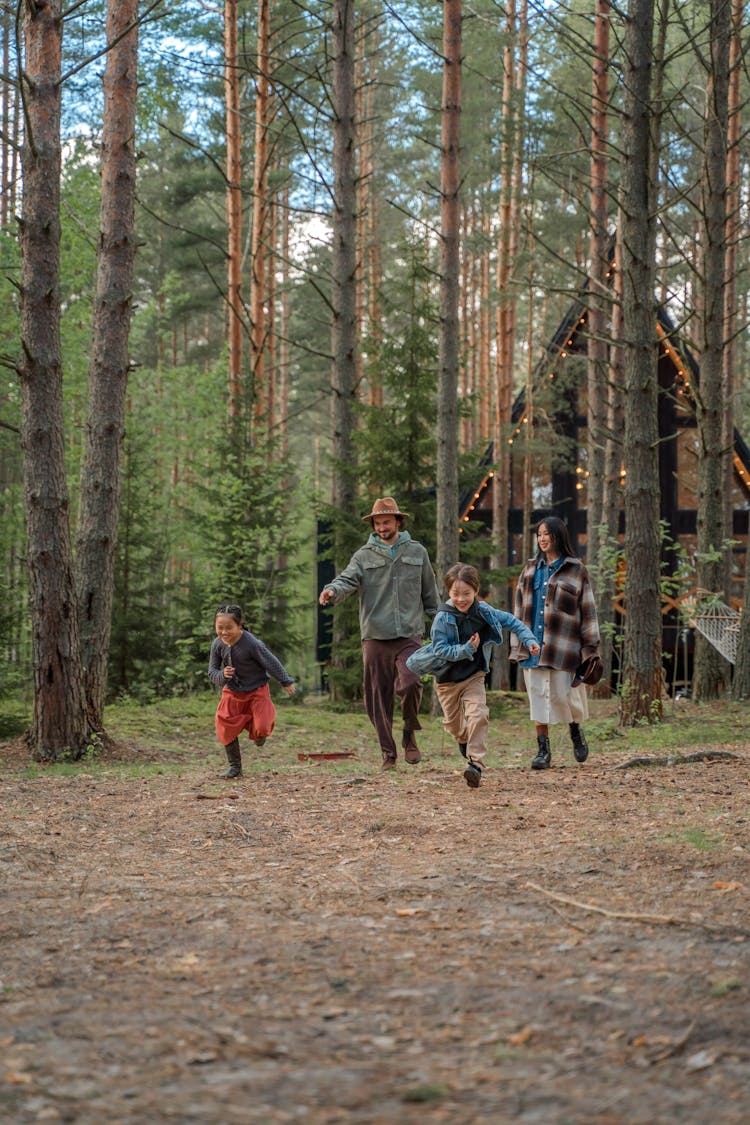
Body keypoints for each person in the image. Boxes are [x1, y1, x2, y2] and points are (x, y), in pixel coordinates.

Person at [319, 497, 439, 769]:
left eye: (387, 521)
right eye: (377, 522)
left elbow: (430, 593)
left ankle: (409, 733)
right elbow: (346, 579)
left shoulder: (417, 552)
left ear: (398, 521)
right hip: (375, 635)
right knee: (377, 697)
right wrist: (332, 591)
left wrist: (443, 622)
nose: (382, 527)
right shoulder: (363, 555)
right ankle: (389, 753)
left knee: (411, 682)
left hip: (409, 633)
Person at [407, 564, 539, 788]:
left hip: (474, 676)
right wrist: (466, 650)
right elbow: (440, 650)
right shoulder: (443, 618)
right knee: (454, 725)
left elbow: (512, 621)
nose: (461, 599)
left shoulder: (484, 611)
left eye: (466, 593)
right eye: (455, 594)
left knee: (478, 714)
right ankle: (462, 739)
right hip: (447, 680)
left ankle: (475, 765)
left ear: (476, 591)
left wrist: (530, 640)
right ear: (448, 592)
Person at [510, 516, 601, 770]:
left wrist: (590, 648)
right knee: (537, 697)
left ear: (559, 536)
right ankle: (543, 750)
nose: (542, 538)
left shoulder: (576, 569)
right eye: (539, 534)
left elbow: (588, 609)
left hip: (564, 645)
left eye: (547, 533)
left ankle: (575, 731)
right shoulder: (529, 569)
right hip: (533, 645)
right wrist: (517, 643)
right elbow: (519, 608)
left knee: (565, 696)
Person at [208, 604, 296, 778]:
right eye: (220, 628)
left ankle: (258, 734)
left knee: (262, 727)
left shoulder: (251, 644)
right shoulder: (217, 644)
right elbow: (212, 671)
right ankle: (235, 767)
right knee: (224, 725)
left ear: (239, 625)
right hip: (232, 691)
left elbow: (271, 662)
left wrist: (285, 681)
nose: (224, 632)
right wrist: (222, 675)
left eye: (229, 628)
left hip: (257, 690)